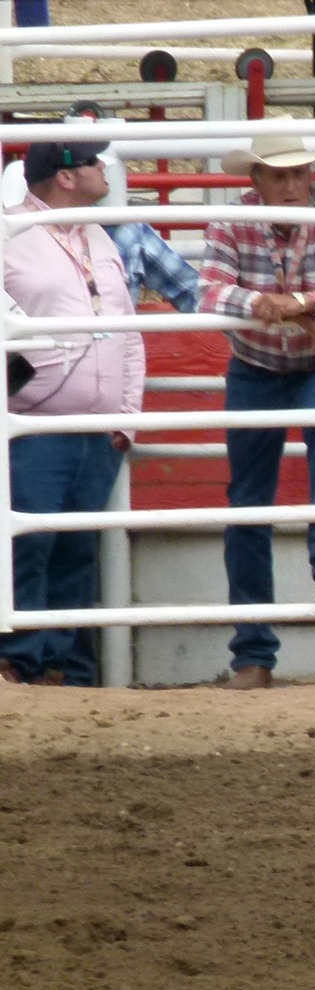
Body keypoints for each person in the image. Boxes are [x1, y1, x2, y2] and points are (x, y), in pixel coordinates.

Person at [198, 134, 315, 690]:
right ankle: (254, 651)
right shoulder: (233, 221)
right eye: (279, 176)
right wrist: (281, 305)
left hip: (309, 359)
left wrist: (299, 305)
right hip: (263, 364)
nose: (292, 184)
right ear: (255, 181)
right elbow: (209, 292)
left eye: (299, 173)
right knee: (248, 503)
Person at [1, 140, 144, 687]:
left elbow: (129, 331)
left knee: (74, 546)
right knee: (32, 541)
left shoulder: (97, 236)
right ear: (65, 177)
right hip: (33, 425)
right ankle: (24, 658)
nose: (103, 169)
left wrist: (126, 416)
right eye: (92, 162)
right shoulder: (10, 234)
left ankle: (55, 664)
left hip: (91, 424)